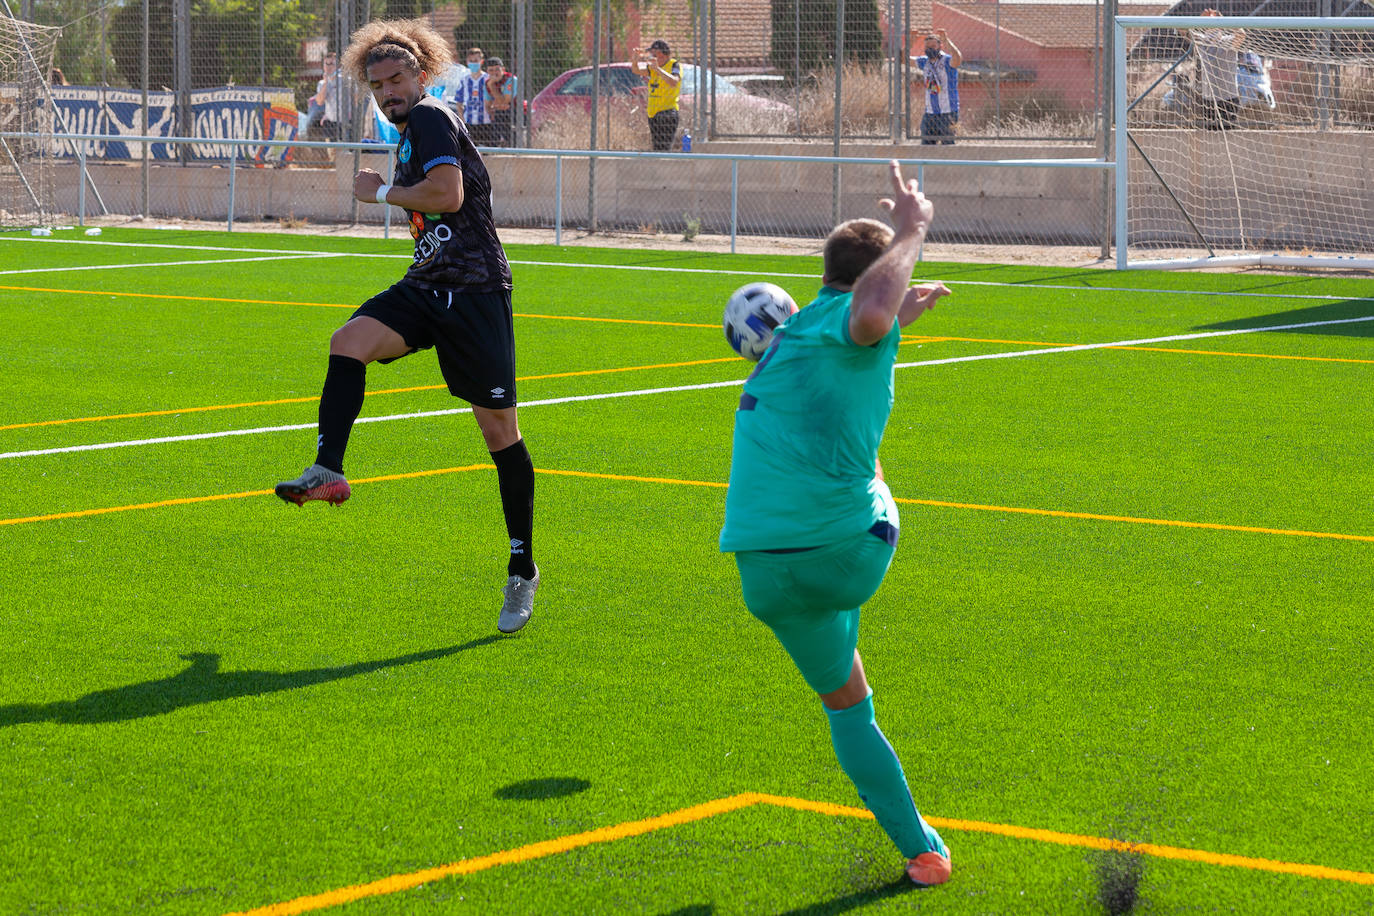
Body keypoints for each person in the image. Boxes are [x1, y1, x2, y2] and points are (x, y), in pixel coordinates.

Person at [719, 160, 953, 886]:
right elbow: (870, 317)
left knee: (849, 707)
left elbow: (869, 319)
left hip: (764, 573)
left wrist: (897, 311)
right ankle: (918, 850)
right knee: (872, 471)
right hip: (851, 549)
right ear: (877, 270)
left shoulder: (790, 338)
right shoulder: (853, 320)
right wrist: (913, 229)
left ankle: (921, 850)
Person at [274, 19, 539, 635]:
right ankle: (329, 470)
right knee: (349, 342)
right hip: (427, 284)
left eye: (398, 79)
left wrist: (380, 194)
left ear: (422, 75)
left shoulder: (429, 118)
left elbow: (446, 196)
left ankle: (522, 567)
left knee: (500, 433)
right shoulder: (409, 129)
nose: (389, 92)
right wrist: (394, 190)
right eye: (378, 85)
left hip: (473, 291)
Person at [1190, 9, 1246, 130]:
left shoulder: (1228, 42)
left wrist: (1223, 19)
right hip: (1208, 99)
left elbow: (1241, 34)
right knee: (1211, 139)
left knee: (1228, 136)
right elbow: (1182, 30)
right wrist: (1199, 19)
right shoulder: (1202, 42)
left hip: (1228, 98)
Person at [909, 28, 961, 145]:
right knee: (926, 147)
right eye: (927, 47)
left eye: (933, 46)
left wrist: (946, 40)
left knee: (948, 146)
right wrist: (910, 42)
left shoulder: (947, 61)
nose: (930, 49)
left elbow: (958, 59)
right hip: (930, 113)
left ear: (940, 46)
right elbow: (902, 59)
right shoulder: (924, 62)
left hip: (948, 112)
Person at [632, 39, 681, 152]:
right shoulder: (653, 68)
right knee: (657, 148)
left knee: (664, 148)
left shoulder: (673, 64)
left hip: (667, 112)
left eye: (654, 53)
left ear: (662, 54)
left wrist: (658, 69)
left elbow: (674, 81)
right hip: (653, 113)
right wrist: (635, 60)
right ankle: (659, 167)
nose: (651, 56)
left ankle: (665, 168)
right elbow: (636, 70)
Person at [456, 46, 495, 146]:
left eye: (476, 60)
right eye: (471, 61)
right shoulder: (464, 80)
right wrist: (462, 120)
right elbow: (459, 102)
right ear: (467, 62)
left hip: (486, 122)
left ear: (481, 61)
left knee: (488, 151)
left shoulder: (488, 79)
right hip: (469, 122)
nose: (473, 63)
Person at [482, 57, 518, 147]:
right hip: (499, 112)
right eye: (491, 70)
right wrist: (495, 107)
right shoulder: (487, 83)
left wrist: (492, 86)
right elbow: (488, 105)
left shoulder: (511, 79)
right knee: (495, 123)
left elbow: (505, 102)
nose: (494, 73)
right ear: (487, 72)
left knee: (506, 118)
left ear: (503, 69)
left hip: (516, 111)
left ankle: (512, 147)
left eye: (497, 69)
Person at [312, 52, 343, 141]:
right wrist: (326, 82)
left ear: (338, 66)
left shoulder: (345, 81)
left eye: (332, 64)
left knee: (346, 151)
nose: (329, 67)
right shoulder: (322, 84)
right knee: (332, 152)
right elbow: (320, 101)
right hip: (330, 123)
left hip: (345, 121)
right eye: (326, 64)